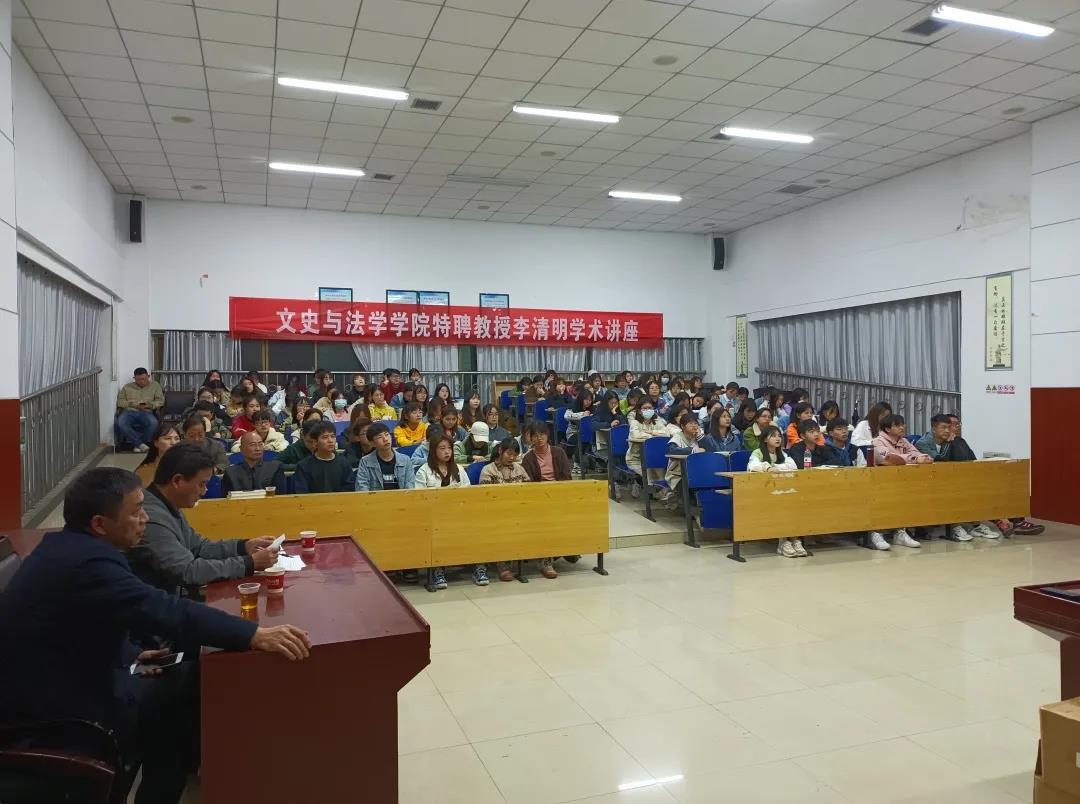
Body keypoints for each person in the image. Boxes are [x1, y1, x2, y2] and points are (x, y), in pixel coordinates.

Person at [0, 467, 310, 804]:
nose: (145, 519)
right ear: (100, 524)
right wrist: (253, 634)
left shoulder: (67, 547)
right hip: (56, 712)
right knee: (185, 694)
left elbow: (77, 625)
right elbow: (165, 610)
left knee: (182, 677)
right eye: (136, 512)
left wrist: (129, 654)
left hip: (66, 678)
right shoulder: (88, 563)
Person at [131, 444, 280, 594]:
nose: (205, 491)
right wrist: (249, 563)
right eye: (201, 484)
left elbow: (199, 547)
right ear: (177, 481)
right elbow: (188, 571)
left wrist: (243, 547)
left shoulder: (167, 504)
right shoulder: (150, 516)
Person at [913, 414, 1001, 541]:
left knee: (978, 487)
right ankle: (956, 527)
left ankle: (976, 525)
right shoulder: (923, 443)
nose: (947, 431)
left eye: (949, 427)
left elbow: (971, 460)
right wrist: (949, 443)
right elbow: (940, 461)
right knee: (955, 490)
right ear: (934, 429)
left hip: (952, 480)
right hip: (930, 482)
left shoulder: (958, 441)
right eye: (943, 427)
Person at [415, 436, 480, 588]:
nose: (447, 452)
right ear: (433, 450)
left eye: (449, 448)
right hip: (434, 516)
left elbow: (468, 494)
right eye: (442, 448)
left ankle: (478, 567)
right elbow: (419, 498)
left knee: (477, 527)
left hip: (457, 514)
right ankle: (437, 569)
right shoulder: (424, 471)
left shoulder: (459, 469)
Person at [868, 413, 930, 549]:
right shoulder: (878, 441)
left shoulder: (903, 441)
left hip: (902, 481)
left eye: (902, 424)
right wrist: (914, 459)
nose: (902, 427)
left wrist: (923, 457)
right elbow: (890, 459)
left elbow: (917, 453)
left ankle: (900, 533)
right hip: (881, 483)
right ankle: (876, 533)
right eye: (898, 425)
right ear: (887, 429)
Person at [520, 423, 571, 579]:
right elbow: (528, 485)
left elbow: (567, 477)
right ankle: (546, 560)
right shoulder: (528, 458)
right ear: (531, 438)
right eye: (535, 435)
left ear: (547, 435)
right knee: (546, 520)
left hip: (559, 496)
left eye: (542, 434)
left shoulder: (558, 452)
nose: (539, 438)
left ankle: (569, 549)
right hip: (539, 500)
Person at [747, 425, 804, 557]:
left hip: (782, 491)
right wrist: (767, 467)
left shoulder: (782, 453)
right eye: (773, 436)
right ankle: (783, 542)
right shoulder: (758, 452)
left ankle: (794, 539)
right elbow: (753, 466)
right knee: (782, 506)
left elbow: (792, 466)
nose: (777, 438)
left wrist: (774, 466)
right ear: (765, 439)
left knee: (794, 504)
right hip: (763, 492)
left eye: (779, 436)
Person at [479, 438, 530, 582]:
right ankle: (503, 565)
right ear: (500, 451)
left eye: (515, 455)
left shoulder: (520, 469)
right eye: (509, 453)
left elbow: (529, 491)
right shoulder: (488, 470)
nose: (512, 458)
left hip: (518, 510)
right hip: (495, 513)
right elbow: (484, 497)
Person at [666, 413, 719, 495]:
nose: (694, 426)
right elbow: (672, 450)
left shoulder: (698, 437)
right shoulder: (677, 437)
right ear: (682, 426)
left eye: (695, 423)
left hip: (698, 472)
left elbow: (712, 450)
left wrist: (700, 437)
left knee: (713, 481)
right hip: (678, 475)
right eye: (690, 423)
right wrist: (693, 451)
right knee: (692, 486)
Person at [626, 398, 670, 493]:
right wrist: (652, 436)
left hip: (654, 458)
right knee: (650, 477)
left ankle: (661, 494)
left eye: (650, 408)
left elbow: (666, 433)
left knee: (662, 477)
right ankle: (642, 488)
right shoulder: (635, 422)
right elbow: (636, 435)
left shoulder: (657, 421)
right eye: (645, 408)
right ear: (639, 411)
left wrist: (651, 432)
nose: (648, 410)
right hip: (636, 459)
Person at [356, 423, 416, 491]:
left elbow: (410, 487)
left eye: (387, 434)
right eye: (379, 437)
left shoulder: (405, 460)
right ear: (372, 443)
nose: (385, 439)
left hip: (401, 497)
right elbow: (362, 489)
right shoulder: (365, 462)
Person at [294, 422, 352, 493]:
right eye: (325, 437)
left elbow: (349, 490)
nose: (330, 440)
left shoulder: (344, 464)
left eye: (333, 436)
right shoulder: (304, 466)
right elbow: (302, 494)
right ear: (315, 442)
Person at [116, 367, 164, 452]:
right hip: (129, 412)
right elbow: (120, 402)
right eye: (138, 379)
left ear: (148, 376)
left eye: (144, 379)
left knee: (154, 423)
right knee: (121, 422)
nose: (141, 381)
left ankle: (138, 444)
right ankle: (140, 444)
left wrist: (149, 405)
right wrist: (133, 404)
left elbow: (160, 401)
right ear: (134, 378)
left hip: (147, 411)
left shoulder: (155, 386)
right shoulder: (127, 387)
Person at [223, 431, 285, 495]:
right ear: (241, 449)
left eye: (260, 444)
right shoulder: (231, 472)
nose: (258, 448)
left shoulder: (275, 468)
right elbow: (225, 499)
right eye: (252, 445)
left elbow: (281, 497)